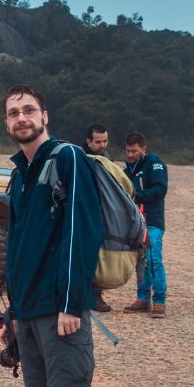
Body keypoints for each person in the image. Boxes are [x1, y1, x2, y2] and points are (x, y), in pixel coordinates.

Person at [3, 84, 108, 387]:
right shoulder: (18, 173)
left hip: (60, 312)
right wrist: (13, 313)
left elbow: (79, 234)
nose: (20, 118)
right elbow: (22, 248)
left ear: (45, 115)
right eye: (13, 113)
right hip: (28, 313)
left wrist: (71, 302)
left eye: (28, 110)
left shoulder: (67, 159)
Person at [123, 131, 168, 318]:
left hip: (153, 221)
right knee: (142, 260)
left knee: (154, 260)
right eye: (128, 151)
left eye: (134, 151)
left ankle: (159, 301)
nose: (131, 154)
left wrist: (137, 196)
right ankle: (142, 299)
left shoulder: (154, 164)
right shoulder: (128, 171)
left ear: (143, 149)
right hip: (136, 223)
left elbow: (160, 189)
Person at [83, 123, 116, 313]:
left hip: (101, 213)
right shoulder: (80, 157)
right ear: (89, 141)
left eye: (105, 141)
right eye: (98, 142)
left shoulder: (107, 158)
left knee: (100, 255)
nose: (103, 145)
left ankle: (96, 295)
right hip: (84, 212)